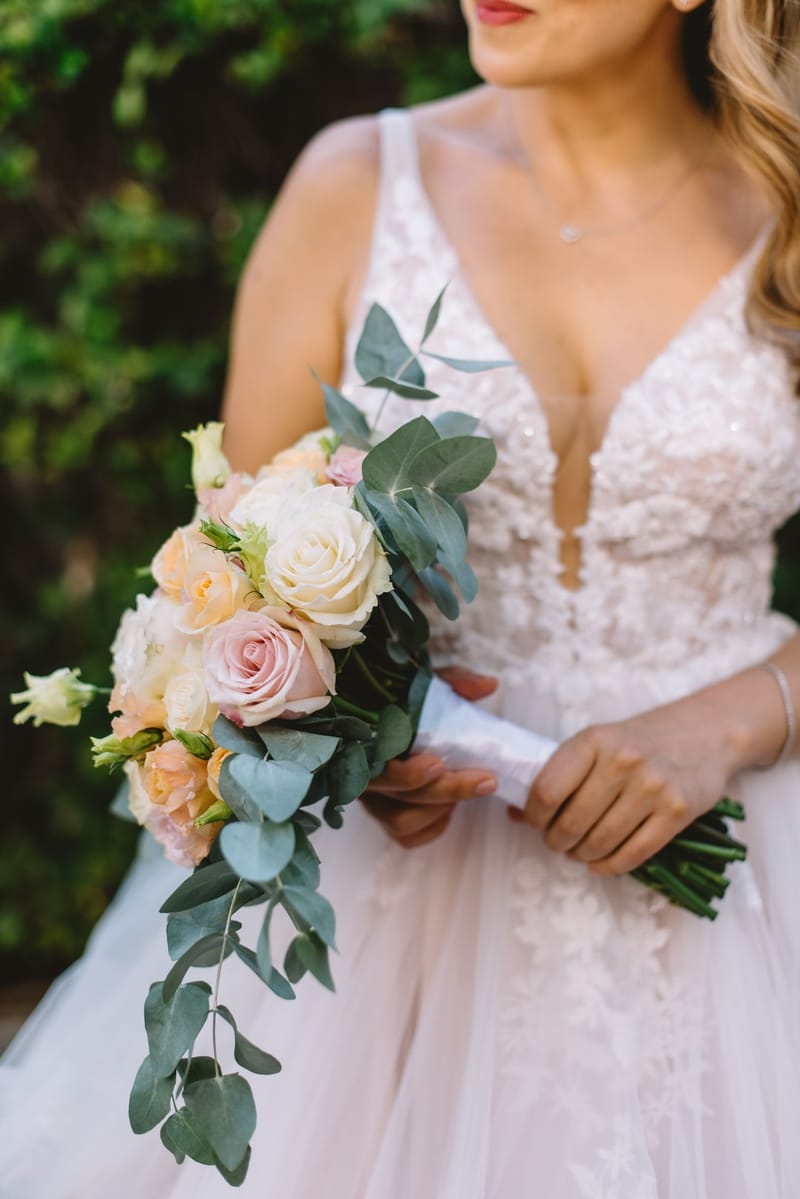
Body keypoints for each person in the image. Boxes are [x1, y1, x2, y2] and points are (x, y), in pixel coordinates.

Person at [2, 1, 800, 1195]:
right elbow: (226, 575)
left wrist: (725, 718)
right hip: (394, 923)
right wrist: (343, 747)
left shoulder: (781, 207)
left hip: (744, 880)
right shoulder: (354, 185)